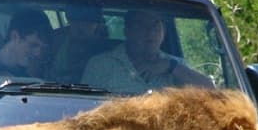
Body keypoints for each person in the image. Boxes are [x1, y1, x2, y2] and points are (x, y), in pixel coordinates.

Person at [81, 9, 213, 94]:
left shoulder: (175, 65)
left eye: (156, 25)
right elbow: (83, 106)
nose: (150, 32)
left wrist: (170, 67)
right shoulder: (101, 65)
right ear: (127, 31)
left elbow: (211, 93)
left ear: (164, 31)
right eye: (141, 25)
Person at [0, 9, 52, 77]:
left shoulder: (43, 73)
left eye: (43, 48)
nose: (38, 53)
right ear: (15, 36)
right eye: (33, 45)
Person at [50, 7, 106, 83]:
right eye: (76, 20)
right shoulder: (55, 39)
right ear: (69, 20)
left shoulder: (106, 49)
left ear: (98, 24)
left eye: (88, 21)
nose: (81, 25)